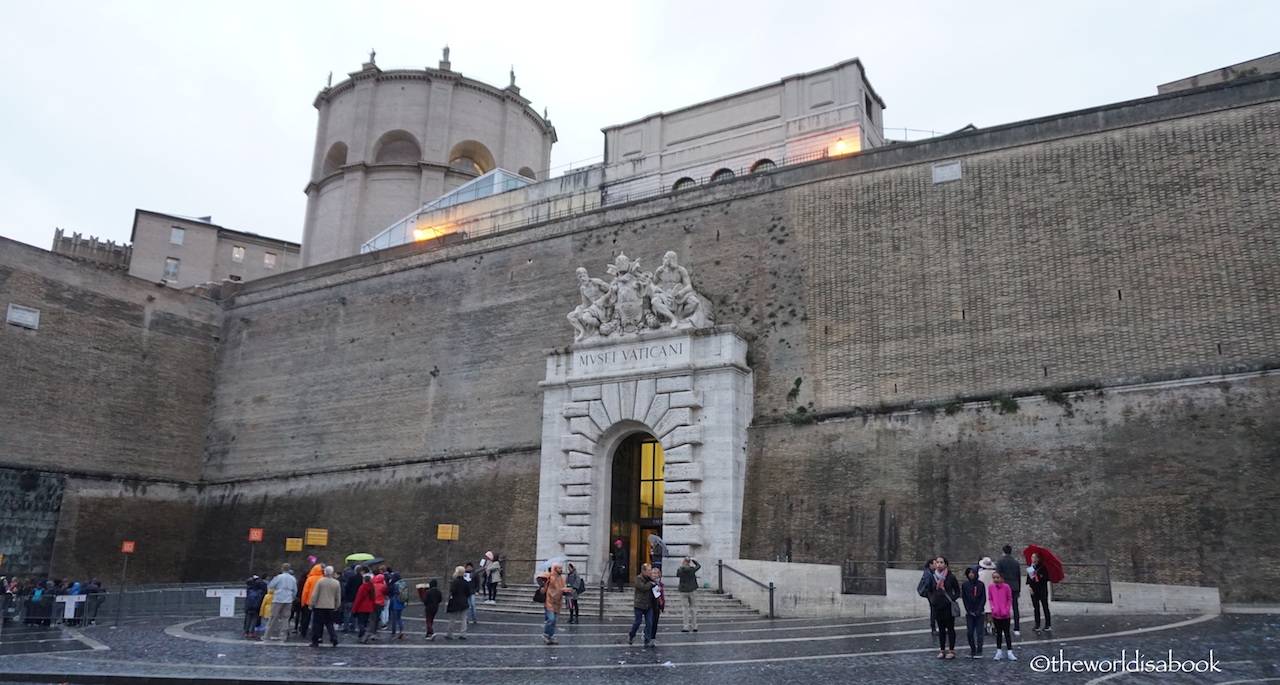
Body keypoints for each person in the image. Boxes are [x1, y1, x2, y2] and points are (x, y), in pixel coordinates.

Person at [925, 556, 961, 659]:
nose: (939, 564)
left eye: (941, 562)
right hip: (937, 606)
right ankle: (942, 650)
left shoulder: (950, 577)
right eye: (937, 562)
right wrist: (932, 600)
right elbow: (928, 589)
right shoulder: (932, 576)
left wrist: (952, 599)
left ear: (945, 564)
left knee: (950, 629)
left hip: (948, 606)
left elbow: (957, 591)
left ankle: (951, 650)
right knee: (941, 629)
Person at [309, 566, 341, 648]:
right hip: (330, 606)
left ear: (325, 572)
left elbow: (315, 594)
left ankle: (316, 641)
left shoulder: (320, 582)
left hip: (319, 605)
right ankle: (334, 638)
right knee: (329, 624)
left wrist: (311, 604)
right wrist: (337, 605)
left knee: (317, 624)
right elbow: (338, 596)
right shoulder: (336, 583)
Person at [263, 564, 297, 641]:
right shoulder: (293, 579)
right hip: (288, 600)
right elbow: (295, 590)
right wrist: (292, 598)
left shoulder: (278, 577)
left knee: (273, 618)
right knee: (285, 619)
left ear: (282, 569)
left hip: (278, 600)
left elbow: (271, 585)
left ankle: (267, 635)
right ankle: (283, 636)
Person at [627, 563, 657, 647]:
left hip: (649, 604)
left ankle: (647, 639)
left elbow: (654, 586)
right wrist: (650, 584)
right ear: (643, 571)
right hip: (639, 604)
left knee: (649, 623)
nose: (650, 572)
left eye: (651, 570)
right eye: (648, 570)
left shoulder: (650, 579)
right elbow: (643, 588)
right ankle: (631, 635)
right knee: (637, 622)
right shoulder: (638, 579)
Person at [989, 571, 1016, 660]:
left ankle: (1009, 651)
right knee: (998, 633)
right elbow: (990, 598)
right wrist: (993, 608)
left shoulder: (1006, 587)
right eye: (994, 578)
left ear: (1002, 579)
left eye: (997, 577)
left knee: (1007, 633)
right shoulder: (991, 587)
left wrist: (1006, 609)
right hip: (996, 614)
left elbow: (1009, 599)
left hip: (1005, 614)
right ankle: (999, 651)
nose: (996, 579)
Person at [995, 545, 1023, 635]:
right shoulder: (1015, 563)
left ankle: (1003, 628)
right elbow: (1018, 577)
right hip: (1014, 586)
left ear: (1003, 551)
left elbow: (998, 575)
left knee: (1003, 607)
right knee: (1015, 608)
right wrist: (1019, 590)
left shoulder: (1000, 561)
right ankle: (1017, 628)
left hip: (1004, 586)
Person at [537, 562, 566, 644]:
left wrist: (567, 592)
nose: (561, 570)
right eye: (559, 568)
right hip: (549, 600)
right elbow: (539, 578)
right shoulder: (549, 576)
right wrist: (542, 586)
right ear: (555, 569)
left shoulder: (562, 578)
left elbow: (564, 589)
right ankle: (546, 634)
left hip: (558, 601)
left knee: (554, 620)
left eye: (561, 568)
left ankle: (551, 636)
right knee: (551, 619)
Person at [960, 566, 986, 659]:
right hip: (970, 612)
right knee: (970, 632)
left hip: (979, 612)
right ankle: (972, 649)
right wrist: (969, 610)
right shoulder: (965, 585)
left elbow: (983, 598)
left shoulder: (981, 584)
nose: (971, 574)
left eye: (972, 572)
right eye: (969, 573)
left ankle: (979, 649)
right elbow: (965, 598)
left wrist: (979, 610)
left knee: (979, 632)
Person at [1027, 551, 1052, 632]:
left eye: (1034, 557)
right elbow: (1029, 579)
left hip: (1042, 589)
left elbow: (1046, 579)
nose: (1032, 559)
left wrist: (1039, 575)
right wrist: (1030, 587)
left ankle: (1048, 624)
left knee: (1045, 606)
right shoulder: (1030, 567)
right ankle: (1037, 624)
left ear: (1038, 559)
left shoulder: (1043, 567)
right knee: (1036, 608)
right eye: (1031, 557)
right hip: (1034, 589)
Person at [298, 563, 324, 637]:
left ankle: (303, 632)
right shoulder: (322, 579)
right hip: (319, 602)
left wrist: (303, 602)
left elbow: (305, 591)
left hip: (308, 601)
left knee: (306, 618)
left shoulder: (310, 579)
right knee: (318, 619)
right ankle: (317, 633)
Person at [444, 566, 470, 640]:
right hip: (464, 602)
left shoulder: (454, 582)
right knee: (463, 619)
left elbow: (452, 591)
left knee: (452, 619)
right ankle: (463, 634)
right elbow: (468, 592)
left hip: (455, 602)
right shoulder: (466, 582)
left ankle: (449, 633)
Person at [677, 556, 701, 632]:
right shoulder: (692, 569)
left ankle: (686, 627)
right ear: (688, 562)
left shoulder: (680, 569)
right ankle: (695, 626)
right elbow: (698, 566)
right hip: (692, 590)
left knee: (685, 609)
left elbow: (678, 575)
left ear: (684, 562)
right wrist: (693, 560)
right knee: (693, 608)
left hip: (683, 590)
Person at [916, 558, 938, 635]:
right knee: (934, 610)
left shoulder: (932, 572)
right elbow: (929, 584)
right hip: (931, 594)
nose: (937, 565)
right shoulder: (928, 573)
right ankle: (933, 628)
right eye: (935, 563)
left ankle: (934, 627)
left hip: (932, 593)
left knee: (935, 610)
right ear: (930, 564)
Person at [352, 572, 375, 643]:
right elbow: (373, 598)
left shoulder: (362, 587)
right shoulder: (372, 587)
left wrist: (354, 609)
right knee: (365, 622)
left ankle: (364, 632)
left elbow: (358, 599)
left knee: (360, 623)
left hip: (361, 607)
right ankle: (361, 637)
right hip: (369, 608)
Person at [978, 556, 996, 634]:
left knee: (984, 612)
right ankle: (993, 626)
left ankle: (985, 627)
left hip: (983, 594)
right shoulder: (994, 574)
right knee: (992, 612)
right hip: (992, 594)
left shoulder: (980, 573)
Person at [388, 571, 407, 639]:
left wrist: (390, 583)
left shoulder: (395, 585)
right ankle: (401, 630)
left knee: (394, 618)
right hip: (401, 602)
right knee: (399, 617)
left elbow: (389, 591)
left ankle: (393, 631)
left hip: (395, 602)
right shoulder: (403, 583)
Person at [339, 565, 358, 633]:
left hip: (348, 598)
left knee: (346, 613)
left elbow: (346, 588)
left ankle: (346, 627)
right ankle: (353, 627)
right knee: (353, 614)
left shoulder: (348, 577)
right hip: (356, 598)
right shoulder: (359, 577)